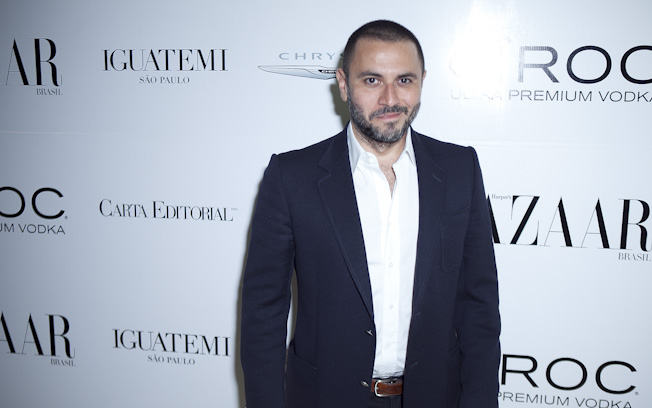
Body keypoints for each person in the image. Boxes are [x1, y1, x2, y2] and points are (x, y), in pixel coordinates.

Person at [240, 20, 500, 408]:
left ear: (423, 82)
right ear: (344, 84)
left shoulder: (460, 169)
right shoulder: (291, 178)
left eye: (405, 80)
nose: (390, 99)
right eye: (373, 80)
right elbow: (263, 315)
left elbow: (480, 306)